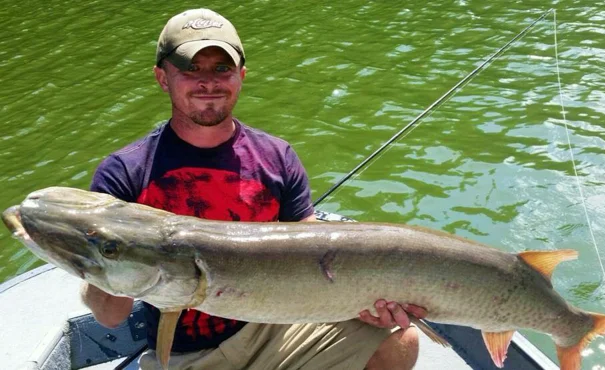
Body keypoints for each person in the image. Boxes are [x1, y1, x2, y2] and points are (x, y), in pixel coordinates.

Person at [81, 8, 424, 370]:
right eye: (190, 69)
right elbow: (110, 317)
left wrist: (366, 303)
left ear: (240, 76)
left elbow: (317, 258)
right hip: (188, 355)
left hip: (274, 329)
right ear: (162, 78)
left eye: (221, 68)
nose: (208, 82)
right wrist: (97, 261)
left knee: (397, 340)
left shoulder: (276, 156)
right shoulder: (124, 173)